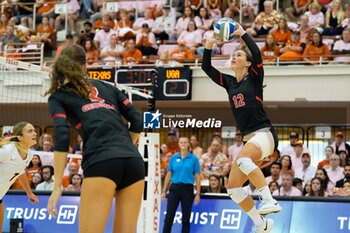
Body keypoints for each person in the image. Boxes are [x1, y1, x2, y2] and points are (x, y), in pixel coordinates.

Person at [45, 45, 144, 233]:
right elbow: (137, 121)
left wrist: (57, 186)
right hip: (133, 163)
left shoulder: (59, 97)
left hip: (102, 162)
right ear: (85, 65)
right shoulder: (108, 87)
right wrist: (122, 150)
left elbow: (63, 136)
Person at [202, 22, 281, 233]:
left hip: (265, 134)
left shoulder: (254, 78)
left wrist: (243, 34)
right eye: (233, 55)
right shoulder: (229, 83)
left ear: (247, 64)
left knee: (244, 160)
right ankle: (261, 224)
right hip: (250, 139)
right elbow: (207, 68)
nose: (234, 57)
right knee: (234, 188)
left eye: (239, 55)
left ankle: (269, 200)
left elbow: (256, 52)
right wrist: (209, 45)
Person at [0, 122, 39, 231]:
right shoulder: (7, 150)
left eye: (34, 130)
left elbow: (20, 171)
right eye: (30, 131)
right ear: (20, 137)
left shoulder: (29, 154)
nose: (34, 133)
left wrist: (29, 192)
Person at [161, 136, 201, 233]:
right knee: (169, 217)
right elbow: (168, 175)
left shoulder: (194, 159)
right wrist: (164, 191)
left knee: (186, 218)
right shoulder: (173, 158)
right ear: (178, 144)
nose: (183, 144)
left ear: (188, 144)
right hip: (174, 188)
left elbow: (198, 176)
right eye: (181, 142)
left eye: (185, 142)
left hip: (187, 189)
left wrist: (198, 193)